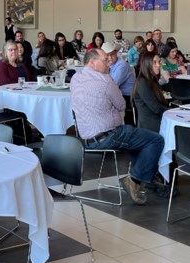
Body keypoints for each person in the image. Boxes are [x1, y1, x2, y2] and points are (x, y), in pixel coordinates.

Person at [70, 48, 165, 206]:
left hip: (85, 139)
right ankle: (135, 179)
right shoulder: (105, 80)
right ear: (92, 63)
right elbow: (121, 105)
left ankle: (145, 178)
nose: (109, 64)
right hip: (109, 135)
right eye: (105, 60)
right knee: (156, 140)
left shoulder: (75, 78)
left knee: (136, 140)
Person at [133, 50, 171, 134]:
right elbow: (156, 108)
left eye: (159, 62)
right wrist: (172, 112)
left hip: (156, 120)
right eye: (154, 62)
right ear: (147, 64)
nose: (158, 65)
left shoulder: (152, 80)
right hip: (150, 126)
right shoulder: (142, 82)